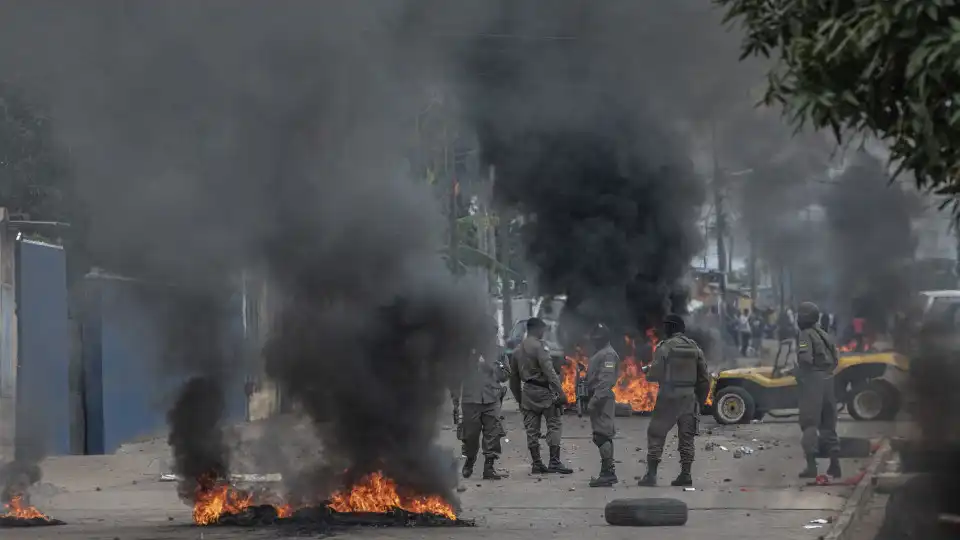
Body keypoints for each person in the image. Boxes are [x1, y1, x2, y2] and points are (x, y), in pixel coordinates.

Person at [638, 315, 710, 487]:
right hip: (689, 397)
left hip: (669, 397)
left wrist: (647, 372)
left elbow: (655, 374)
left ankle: (651, 475)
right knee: (687, 438)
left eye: (666, 326)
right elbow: (704, 379)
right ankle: (686, 474)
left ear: (671, 327)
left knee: (656, 433)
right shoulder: (695, 348)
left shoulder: (664, 347)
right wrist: (699, 400)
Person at [508, 317, 573, 475]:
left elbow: (513, 380)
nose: (544, 332)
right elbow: (549, 372)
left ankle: (537, 463)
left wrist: (520, 400)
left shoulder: (517, 350)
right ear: (537, 329)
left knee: (531, 429)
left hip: (528, 393)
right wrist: (561, 393)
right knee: (554, 424)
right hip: (544, 392)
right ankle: (554, 462)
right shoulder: (540, 347)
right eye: (543, 329)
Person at [457, 327, 510, 480]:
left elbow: (506, 375)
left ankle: (489, 467)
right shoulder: (466, 353)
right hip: (470, 400)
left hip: (491, 399)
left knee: (493, 433)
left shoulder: (499, 352)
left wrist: (491, 368)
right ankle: (470, 460)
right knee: (470, 435)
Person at [796, 301, 841, 479]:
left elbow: (805, 359)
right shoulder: (824, 333)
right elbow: (836, 359)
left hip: (813, 380)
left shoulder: (805, 335)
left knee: (809, 423)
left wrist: (800, 372)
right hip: (828, 379)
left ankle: (811, 467)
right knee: (828, 424)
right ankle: (835, 465)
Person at [584, 323, 621, 487]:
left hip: (602, 398)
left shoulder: (608, 356)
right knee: (600, 435)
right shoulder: (601, 353)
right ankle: (607, 472)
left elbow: (605, 381)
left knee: (603, 434)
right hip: (599, 397)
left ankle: (608, 473)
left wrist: (595, 400)